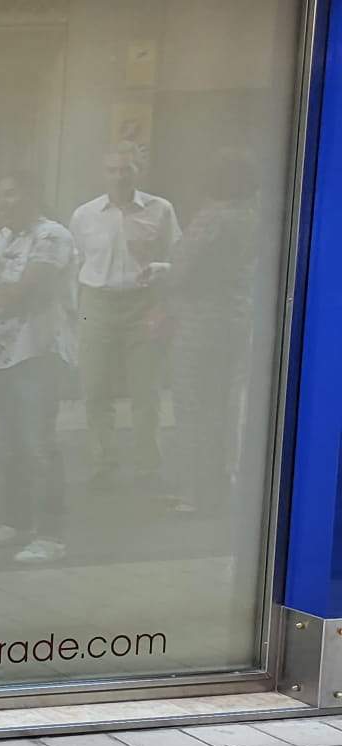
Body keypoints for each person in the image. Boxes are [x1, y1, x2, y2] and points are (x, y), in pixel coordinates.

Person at [0, 173, 75, 564]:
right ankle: (17, 522)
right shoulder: (2, 239)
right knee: (9, 445)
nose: (3, 202)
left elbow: (28, 292)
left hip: (34, 352)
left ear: (32, 195)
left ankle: (51, 535)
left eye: (11, 194)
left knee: (39, 445)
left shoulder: (52, 236)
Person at [69, 147, 180, 494]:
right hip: (96, 303)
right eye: (112, 170)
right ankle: (104, 464)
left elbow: (177, 258)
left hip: (142, 303)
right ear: (103, 173)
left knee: (145, 390)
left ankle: (148, 466)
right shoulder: (85, 214)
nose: (119, 176)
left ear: (138, 171)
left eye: (125, 170)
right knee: (95, 388)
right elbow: (75, 263)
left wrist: (163, 303)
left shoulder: (160, 210)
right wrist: (75, 311)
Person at [165, 151, 262, 515]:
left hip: (200, 321)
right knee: (225, 407)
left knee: (193, 404)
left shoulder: (212, 218)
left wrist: (165, 280)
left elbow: (182, 268)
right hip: (237, 318)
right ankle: (223, 486)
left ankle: (193, 492)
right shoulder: (253, 218)